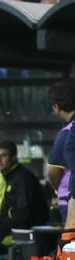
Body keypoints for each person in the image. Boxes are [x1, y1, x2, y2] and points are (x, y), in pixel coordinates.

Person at [48, 80, 75, 222]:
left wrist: (58, 190)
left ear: (57, 107)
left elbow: (53, 171)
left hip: (70, 201)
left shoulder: (67, 133)